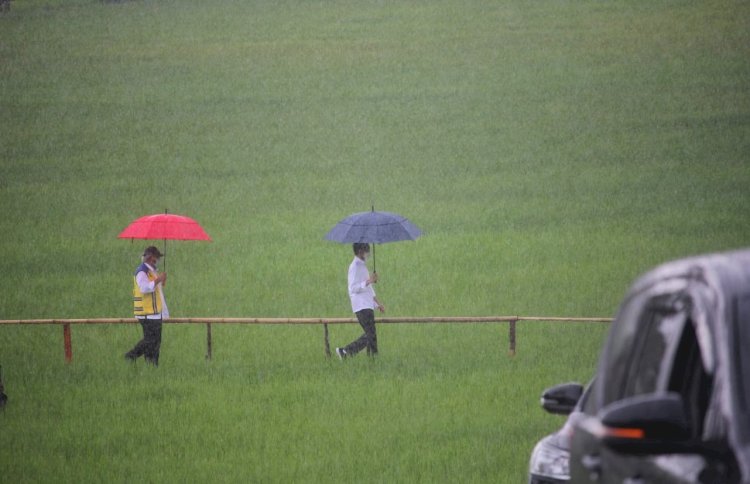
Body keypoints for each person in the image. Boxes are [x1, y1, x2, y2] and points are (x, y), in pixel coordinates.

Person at [336, 243, 385, 359]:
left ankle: (373, 358)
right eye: (366, 250)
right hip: (361, 306)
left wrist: (378, 304)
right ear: (359, 251)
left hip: (367, 305)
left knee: (372, 334)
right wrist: (369, 281)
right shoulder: (354, 267)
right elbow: (353, 288)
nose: (368, 253)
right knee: (370, 334)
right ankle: (346, 351)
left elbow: (369, 289)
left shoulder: (362, 266)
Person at [125, 246, 168, 365]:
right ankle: (131, 356)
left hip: (154, 313)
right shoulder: (142, 271)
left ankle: (152, 365)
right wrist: (158, 280)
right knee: (150, 341)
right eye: (156, 257)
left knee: (155, 342)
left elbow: (156, 290)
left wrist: (161, 280)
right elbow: (144, 288)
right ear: (150, 258)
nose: (158, 259)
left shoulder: (151, 271)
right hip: (147, 313)